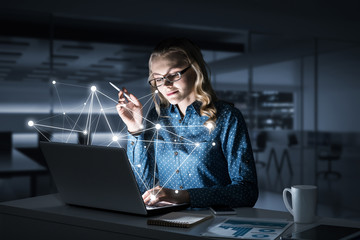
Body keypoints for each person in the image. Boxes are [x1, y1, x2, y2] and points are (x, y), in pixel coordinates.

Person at [116, 38, 258, 208]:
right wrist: (134, 129)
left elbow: (246, 192)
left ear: (196, 70)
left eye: (174, 74)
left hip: (214, 224)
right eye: (158, 79)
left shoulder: (227, 117)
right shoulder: (157, 116)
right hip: (167, 222)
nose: (166, 85)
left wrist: (184, 196)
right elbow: (143, 188)